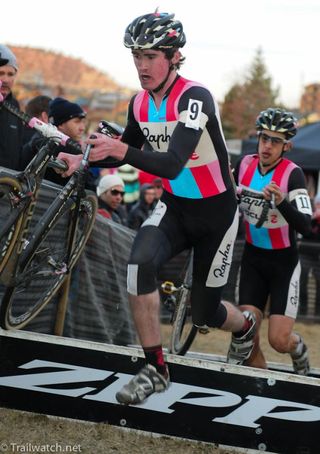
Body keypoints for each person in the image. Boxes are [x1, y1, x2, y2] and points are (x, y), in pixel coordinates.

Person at [58, 11, 256, 405]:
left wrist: (122, 150)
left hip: (217, 214)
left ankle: (245, 327)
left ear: (174, 55)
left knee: (205, 313)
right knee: (139, 263)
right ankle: (155, 367)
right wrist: (84, 160)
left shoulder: (194, 97)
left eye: (150, 56)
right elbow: (121, 153)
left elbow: (172, 162)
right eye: (136, 56)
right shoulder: (139, 103)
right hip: (176, 207)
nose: (141, 65)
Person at [226, 108, 312, 375]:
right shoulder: (244, 164)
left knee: (279, 341)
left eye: (275, 141)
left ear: (287, 145)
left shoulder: (292, 174)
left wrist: (281, 202)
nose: (267, 146)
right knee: (246, 336)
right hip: (253, 259)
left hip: (284, 263)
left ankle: (299, 349)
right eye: (264, 138)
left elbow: (306, 226)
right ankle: (260, 388)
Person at [0, 44, 24, 170]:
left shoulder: (14, 106)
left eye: (11, 74)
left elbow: (18, 150)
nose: (6, 79)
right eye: (1, 73)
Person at [299, 194, 320, 316]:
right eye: (318, 204)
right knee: (302, 281)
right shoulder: (309, 216)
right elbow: (304, 230)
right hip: (305, 253)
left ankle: (317, 314)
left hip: (318, 256)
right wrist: (313, 219)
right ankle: (303, 312)